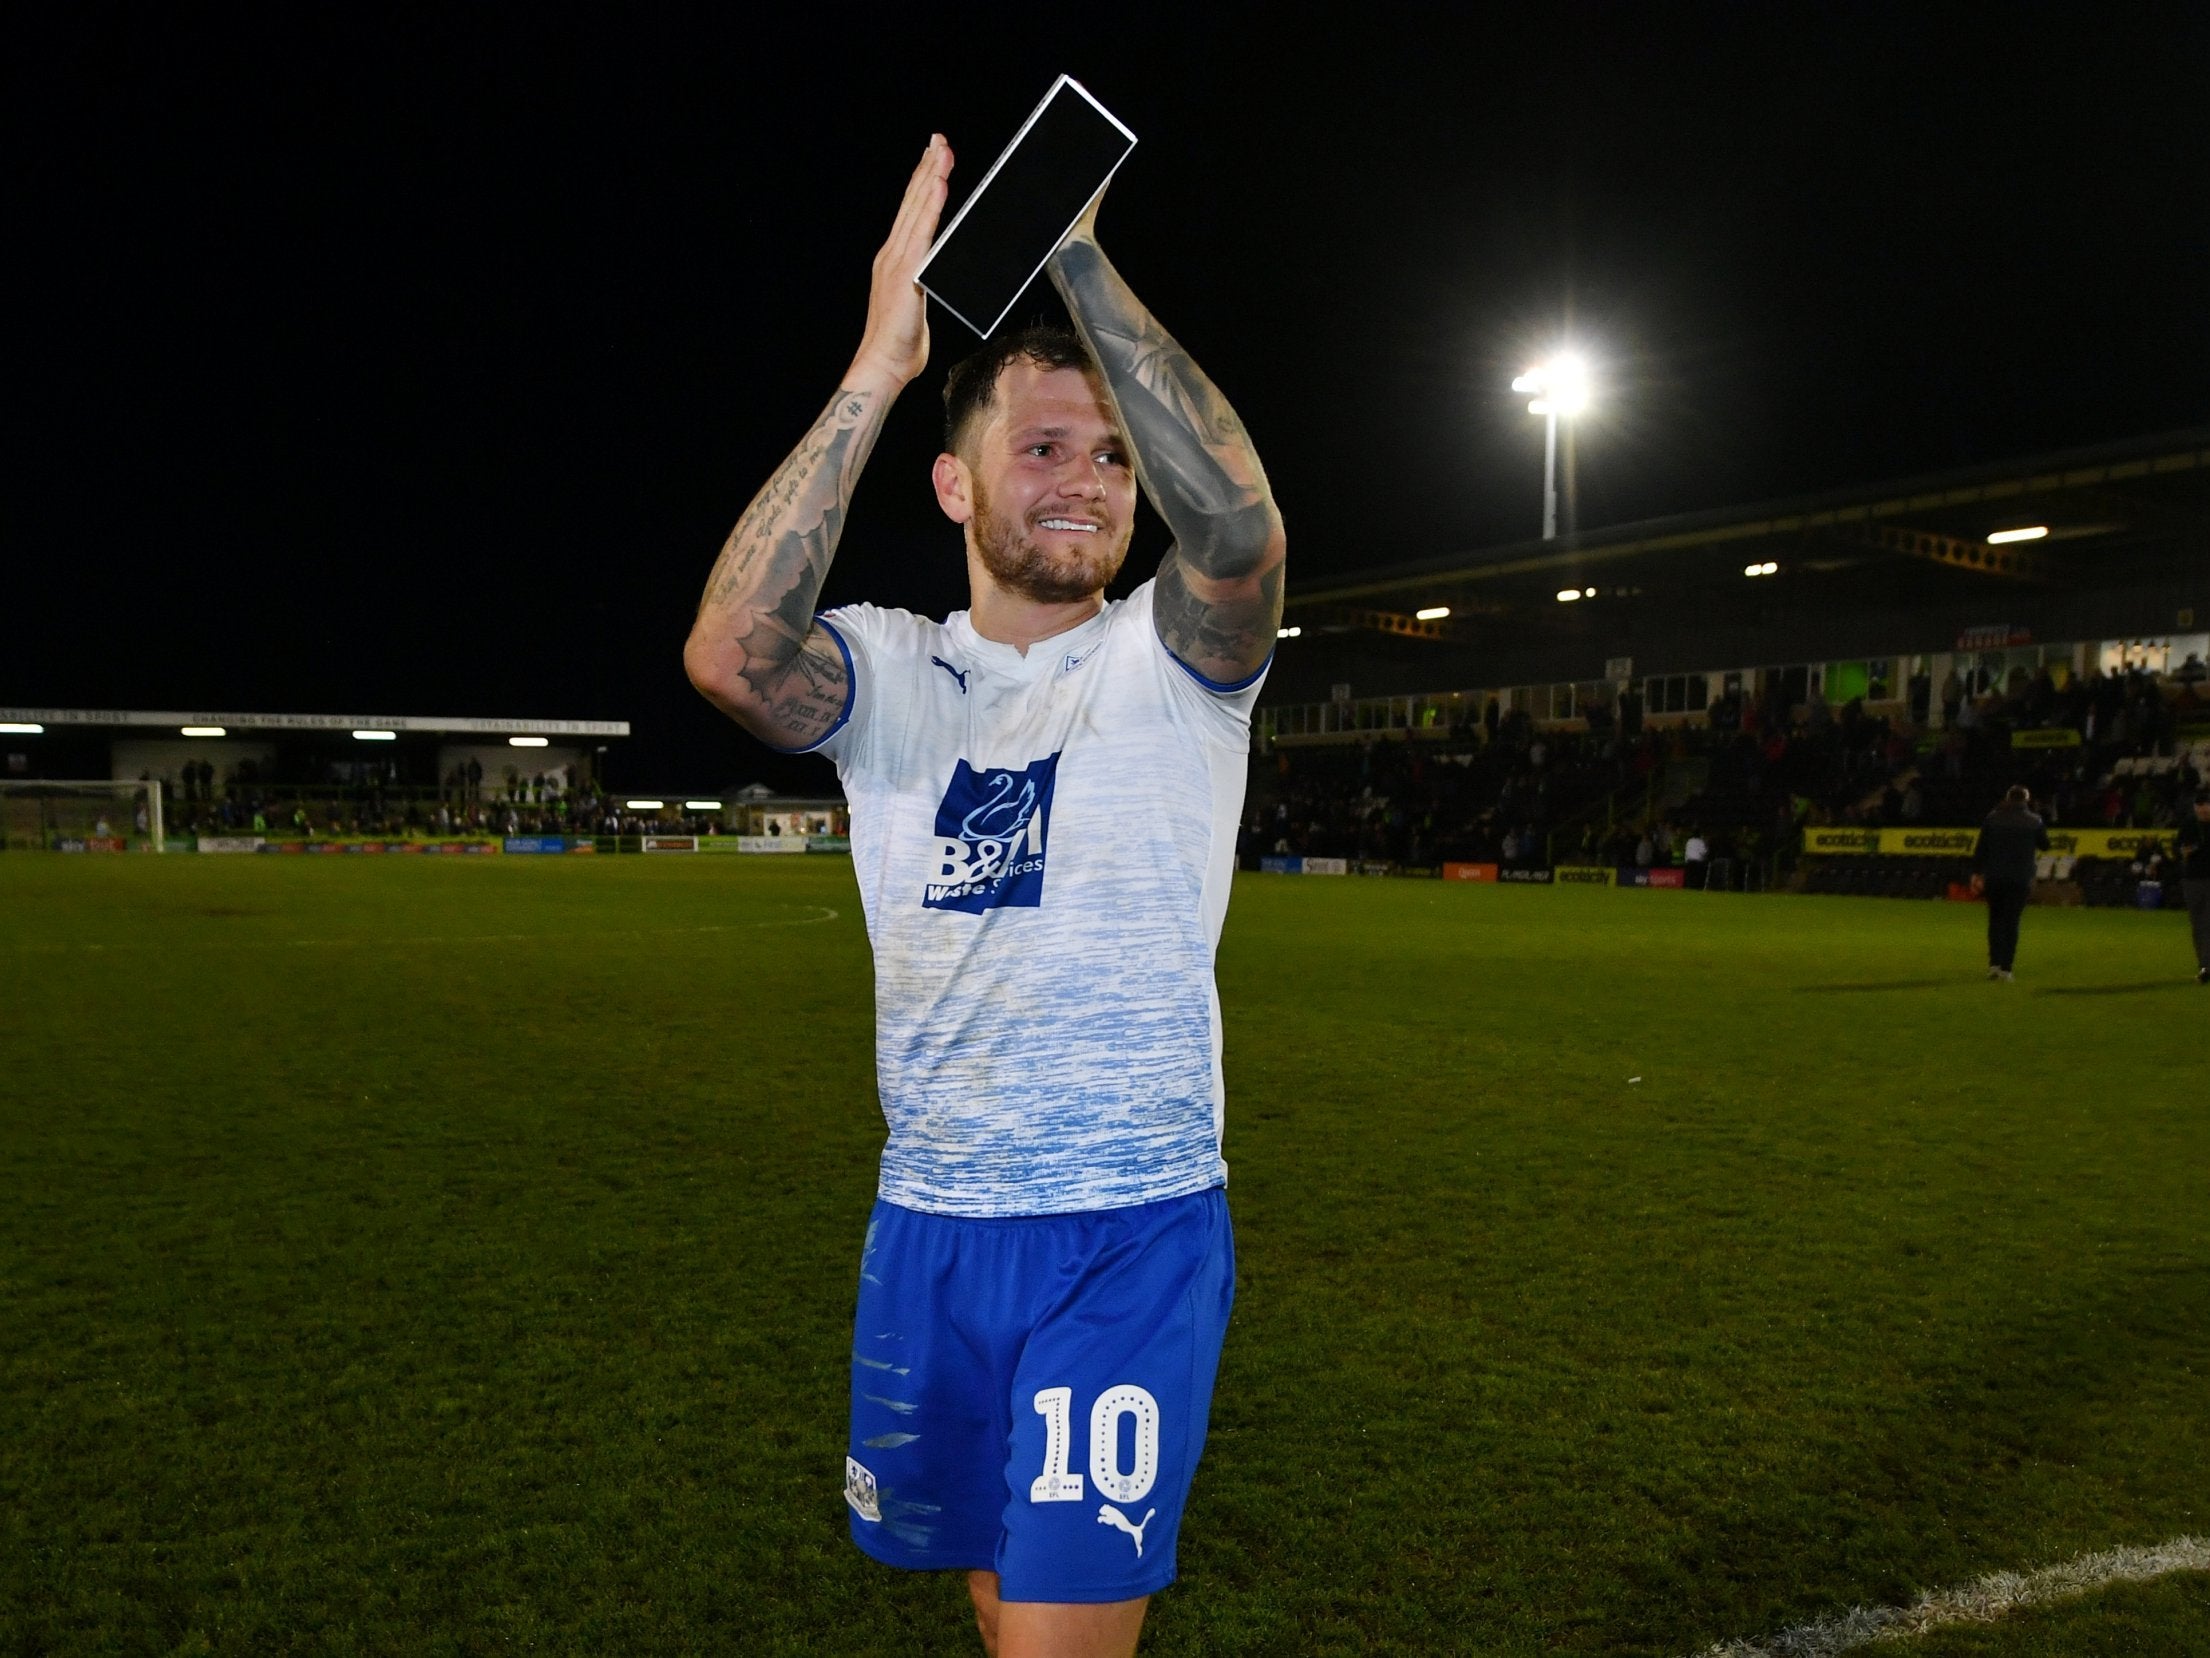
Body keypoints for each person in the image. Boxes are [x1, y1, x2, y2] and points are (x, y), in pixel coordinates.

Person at [682, 138, 1284, 1658]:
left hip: (1122, 1231)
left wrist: (1076, 258)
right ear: (954, 482)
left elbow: (1241, 540)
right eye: (1041, 447)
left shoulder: (1174, 664)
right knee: (993, 1585)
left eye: (1108, 455)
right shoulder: (890, 668)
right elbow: (732, 656)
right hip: (933, 1220)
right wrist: (882, 367)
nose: (1083, 476)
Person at [1969, 783, 2051, 981]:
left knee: (1995, 920)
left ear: (2007, 798)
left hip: (1995, 876)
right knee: (2012, 922)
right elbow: (2046, 845)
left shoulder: (1992, 818)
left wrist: (1976, 874)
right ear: (2026, 800)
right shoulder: (2034, 820)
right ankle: (2007, 968)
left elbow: (1980, 849)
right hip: (2019, 878)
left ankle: (1994, 965)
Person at [2178, 788, 2210, 985]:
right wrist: (2186, 851)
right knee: (2197, 925)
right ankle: (2203, 964)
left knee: (2207, 923)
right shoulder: (2188, 825)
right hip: (2193, 880)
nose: (2202, 810)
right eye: (2198, 806)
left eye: (2205, 805)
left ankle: (2207, 966)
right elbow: (2179, 849)